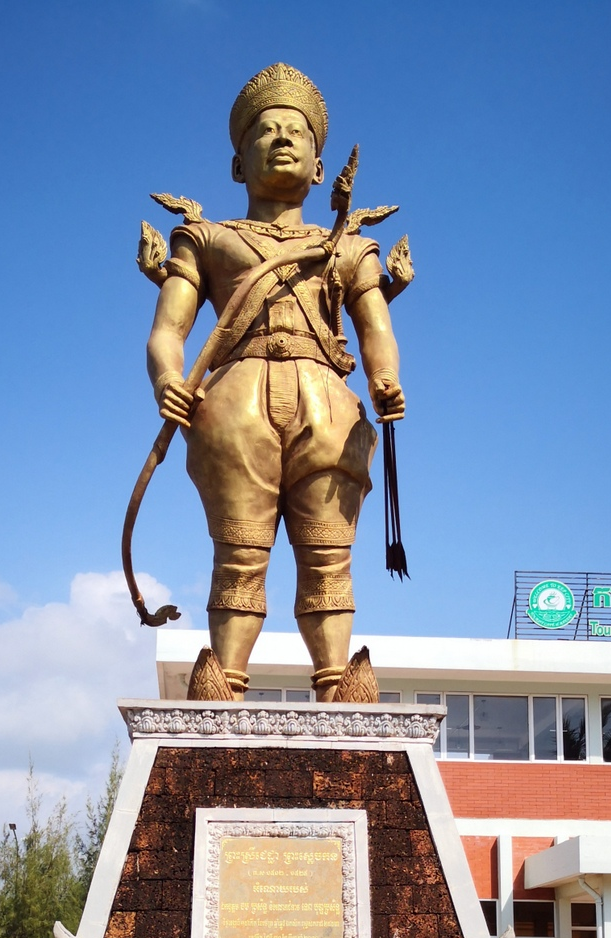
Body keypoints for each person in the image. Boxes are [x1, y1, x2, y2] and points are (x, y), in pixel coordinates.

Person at [146, 62, 406, 700]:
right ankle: (226, 683)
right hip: (234, 405)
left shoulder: (346, 245)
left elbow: (373, 328)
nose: (282, 138)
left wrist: (385, 378)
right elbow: (167, 331)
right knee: (240, 551)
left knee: (327, 553)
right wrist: (167, 378)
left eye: (297, 131)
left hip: (328, 405)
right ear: (238, 164)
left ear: (321, 169)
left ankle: (335, 684)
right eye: (265, 131)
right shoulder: (208, 239)